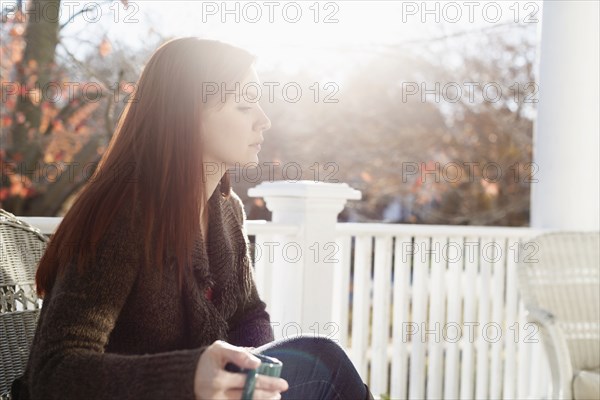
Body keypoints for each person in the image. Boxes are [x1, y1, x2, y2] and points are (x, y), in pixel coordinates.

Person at [13, 37, 374, 400]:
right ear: (187, 114)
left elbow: (248, 313)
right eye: (245, 106)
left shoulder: (226, 210)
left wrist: (254, 371)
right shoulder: (122, 214)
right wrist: (187, 376)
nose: (264, 121)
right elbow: (55, 372)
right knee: (322, 363)